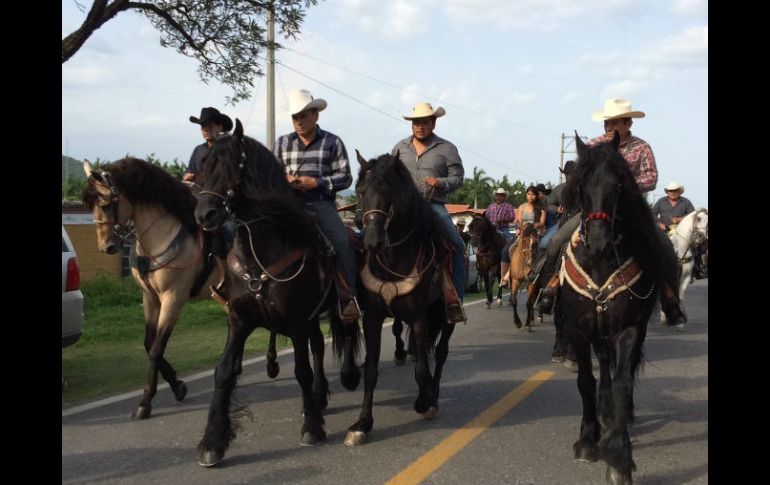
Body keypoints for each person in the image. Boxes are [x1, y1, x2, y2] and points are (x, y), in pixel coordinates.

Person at [536, 98, 687, 326]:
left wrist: (623, 183)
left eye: (614, 122)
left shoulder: (641, 147)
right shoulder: (592, 146)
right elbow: (580, 175)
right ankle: (550, 288)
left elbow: (651, 178)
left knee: (663, 244)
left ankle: (669, 298)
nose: (608, 127)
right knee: (555, 241)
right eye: (606, 122)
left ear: (628, 123)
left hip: (632, 210)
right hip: (595, 209)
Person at [273, 89, 360, 323]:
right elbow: (271, 174)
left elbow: (346, 177)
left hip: (321, 204)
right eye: (295, 117)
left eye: (303, 116)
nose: (298, 121)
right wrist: (284, 179)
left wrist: (317, 183)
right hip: (290, 206)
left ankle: (348, 297)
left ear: (315, 115)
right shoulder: (282, 143)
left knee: (342, 242)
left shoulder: (332, 142)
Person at [391, 102, 467, 324]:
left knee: (458, 246)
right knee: (369, 238)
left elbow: (458, 178)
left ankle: (455, 300)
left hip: (432, 206)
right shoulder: (399, 147)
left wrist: (440, 182)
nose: (420, 126)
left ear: (433, 123)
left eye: (425, 122)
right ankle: (369, 296)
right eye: (416, 122)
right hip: (402, 207)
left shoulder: (447, 148)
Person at [500, 186, 545, 287]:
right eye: (529, 194)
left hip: (536, 233)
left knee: (541, 250)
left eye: (533, 194)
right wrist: (518, 228)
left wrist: (533, 225)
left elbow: (542, 222)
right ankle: (504, 277)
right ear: (526, 195)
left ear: (536, 196)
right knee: (505, 251)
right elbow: (519, 220)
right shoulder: (521, 207)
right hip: (523, 233)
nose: (531, 196)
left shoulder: (541, 208)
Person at [183, 107, 233, 182]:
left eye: (209, 125)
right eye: (203, 126)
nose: (205, 129)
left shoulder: (228, 149)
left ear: (219, 127)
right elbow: (190, 171)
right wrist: (187, 176)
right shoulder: (198, 150)